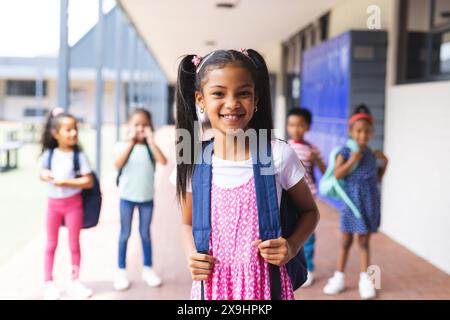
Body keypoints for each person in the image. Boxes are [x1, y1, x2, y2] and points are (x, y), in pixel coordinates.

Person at [173, 49, 320, 300]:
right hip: (211, 288)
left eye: (243, 93)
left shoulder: (278, 155)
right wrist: (191, 255)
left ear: (256, 99)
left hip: (265, 288)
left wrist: (292, 246)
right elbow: (187, 222)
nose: (232, 103)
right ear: (200, 99)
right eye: (218, 93)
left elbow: (310, 212)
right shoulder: (192, 159)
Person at [322, 104, 388, 299]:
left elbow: (377, 178)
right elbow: (337, 173)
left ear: (372, 132)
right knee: (345, 240)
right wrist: (353, 160)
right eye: (358, 131)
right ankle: (338, 278)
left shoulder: (371, 153)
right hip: (352, 203)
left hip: (368, 202)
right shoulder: (345, 152)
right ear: (351, 131)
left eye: (367, 132)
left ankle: (366, 280)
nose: (363, 135)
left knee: (364, 241)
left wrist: (386, 162)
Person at [39, 108, 94, 300]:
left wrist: (66, 183)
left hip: (74, 205)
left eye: (75, 129)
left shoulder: (79, 156)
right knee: (51, 244)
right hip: (53, 206)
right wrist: (46, 175)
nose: (74, 133)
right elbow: (42, 173)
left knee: (74, 244)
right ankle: (48, 283)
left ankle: (75, 281)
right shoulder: (49, 154)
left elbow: (88, 181)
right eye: (68, 130)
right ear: (55, 134)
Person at [113, 108, 167, 291]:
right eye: (136, 125)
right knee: (124, 234)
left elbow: (164, 161)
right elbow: (118, 163)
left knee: (145, 234)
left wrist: (151, 141)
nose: (140, 129)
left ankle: (148, 269)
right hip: (126, 199)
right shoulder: (122, 145)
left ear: (150, 128)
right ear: (129, 126)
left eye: (144, 125)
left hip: (147, 199)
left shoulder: (150, 148)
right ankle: (121, 271)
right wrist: (130, 141)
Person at [286, 107, 326, 287]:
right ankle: (290, 264)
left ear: (308, 127)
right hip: (287, 198)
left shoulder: (312, 149)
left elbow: (326, 171)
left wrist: (316, 160)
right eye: (292, 125)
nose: (296, 129)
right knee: (289, 231)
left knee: (307, 234)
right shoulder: (284, 146)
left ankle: (308, 268)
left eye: (300, 125)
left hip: (307, 197)